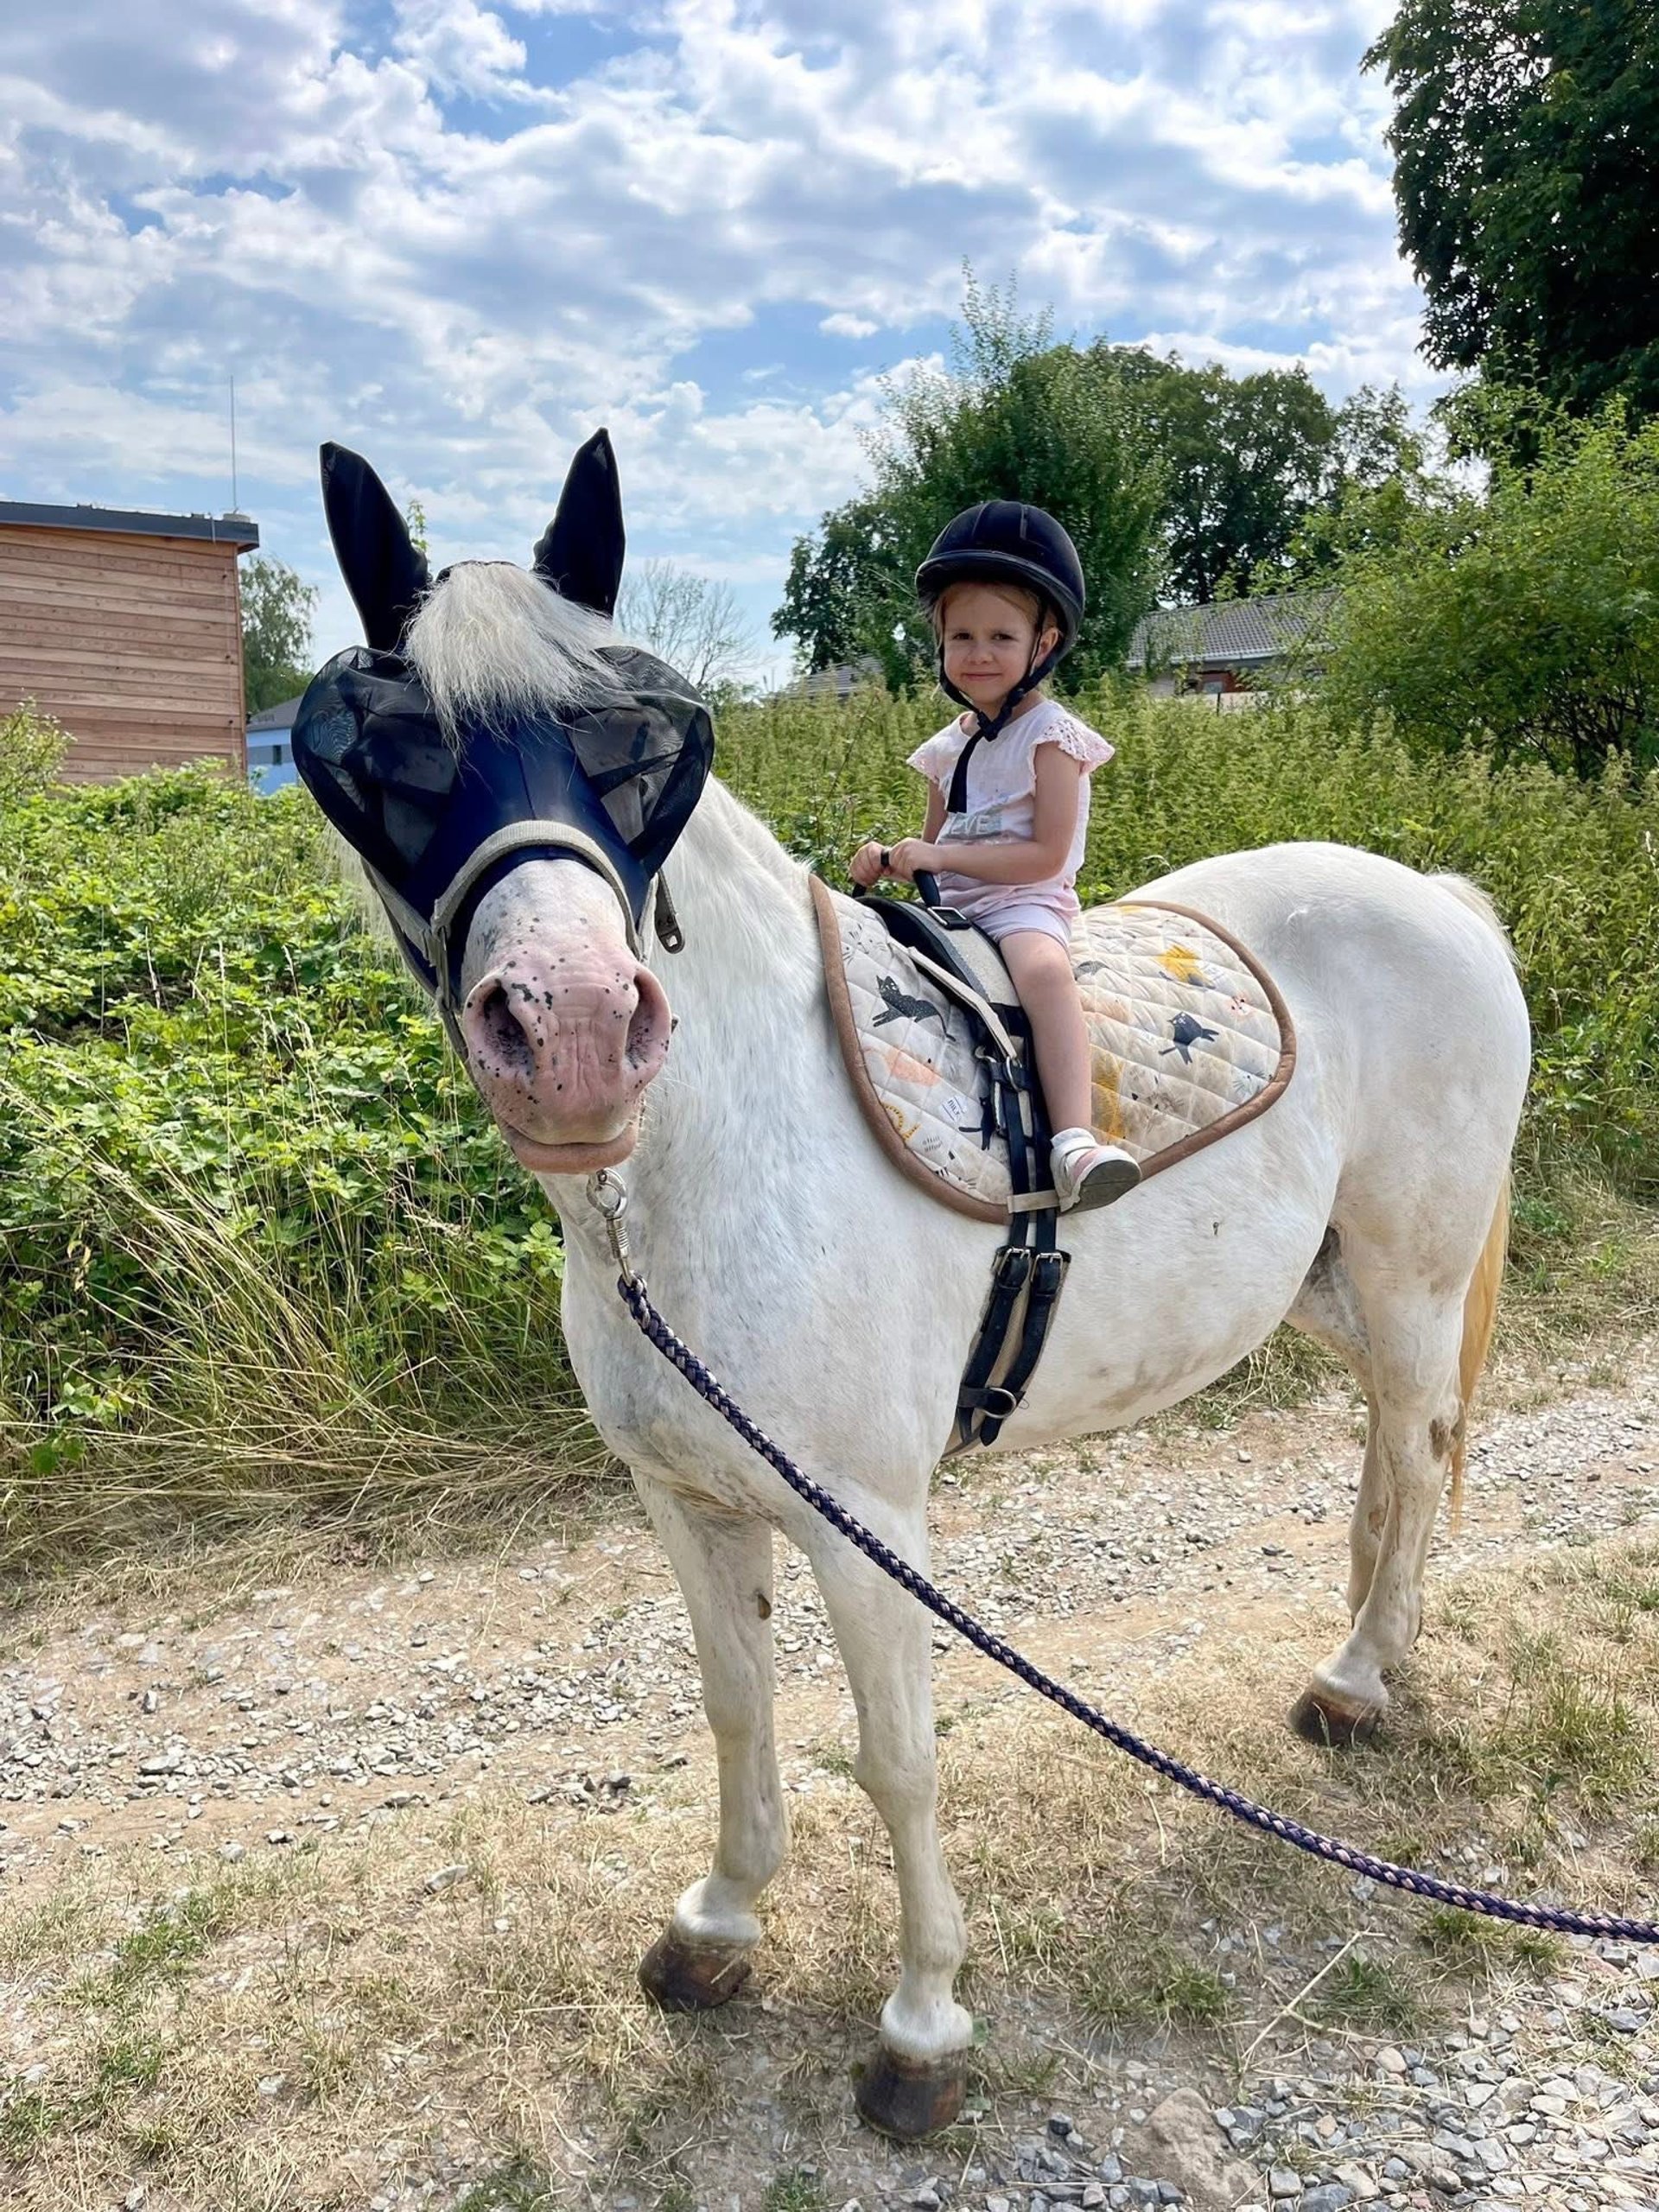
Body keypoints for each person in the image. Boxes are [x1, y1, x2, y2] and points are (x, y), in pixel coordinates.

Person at [850, 502, 1141, 1212]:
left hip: (1023, 903)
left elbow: (1046, 856)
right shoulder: (946, 748)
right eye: (962, 636)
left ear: (1044, 644)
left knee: (1043, 973)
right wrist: (888, 859)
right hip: (954, 910)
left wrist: (936, 853)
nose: (978, 653)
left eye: (1001, 636)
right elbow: (935, 856)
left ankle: (1074, 1139)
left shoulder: (1052, 739)